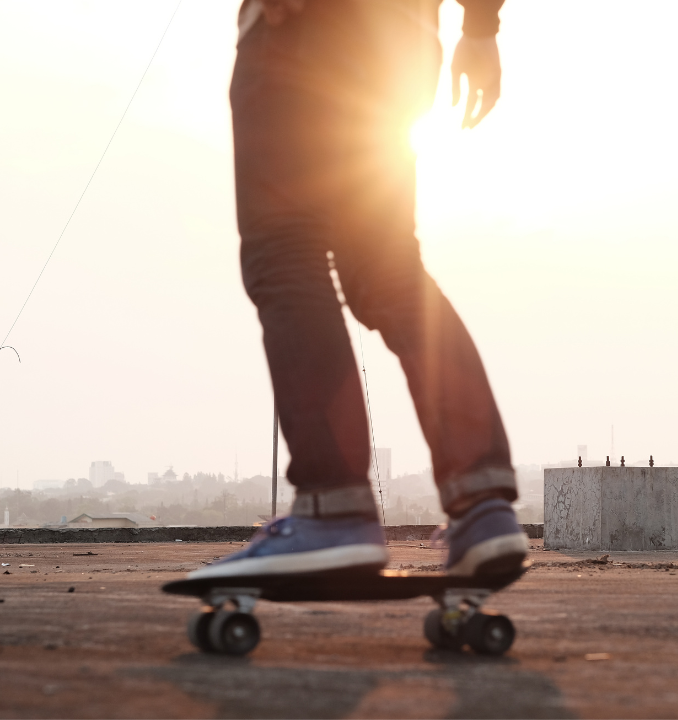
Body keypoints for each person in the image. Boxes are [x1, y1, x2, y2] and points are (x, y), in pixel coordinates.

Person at [191, 0, 526, 581]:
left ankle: (332, 505)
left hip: (304, 29)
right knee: (388, 271)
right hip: (406, 41)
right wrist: (480, 27)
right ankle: (482, 505)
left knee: (285, 253)